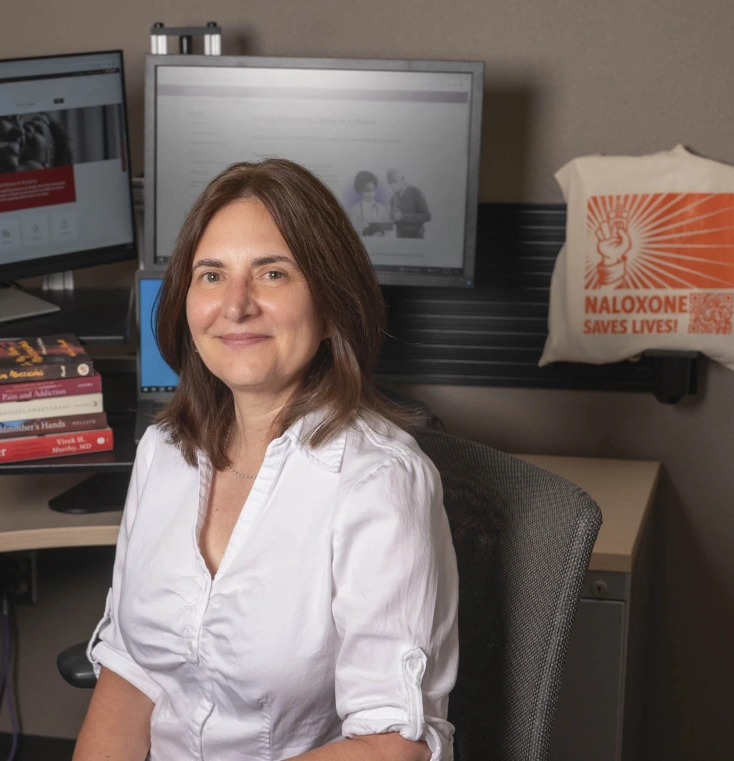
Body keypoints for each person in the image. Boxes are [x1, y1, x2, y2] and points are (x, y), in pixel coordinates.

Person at [73, 159, 458, 761]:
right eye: (211, 275)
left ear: (332, 307)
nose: (236, 305)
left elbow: (393, 744)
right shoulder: (163, 454)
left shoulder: (378, 482)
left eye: (273, 273)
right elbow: (130, 669)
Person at [387, 169, 432, 238]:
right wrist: (391, 218)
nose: (392, 185)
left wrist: (402, 216)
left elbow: (427, 216)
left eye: (394, 181)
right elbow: (396, 220)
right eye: (389, 182)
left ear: (403, 180)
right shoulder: (392, 198)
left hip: (416, 237)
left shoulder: (415, 192)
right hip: (400, 236)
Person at [347, 170, 390, 236]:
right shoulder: (355, 209)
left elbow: (388, 228)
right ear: (359, 190)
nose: (371, 193)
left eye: (373, 190)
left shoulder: (381, 208)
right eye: (366, 191)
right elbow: (354, 231)